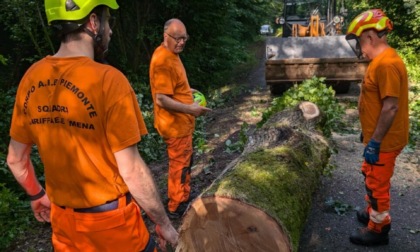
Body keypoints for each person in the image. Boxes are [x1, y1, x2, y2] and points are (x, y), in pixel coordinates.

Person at [6, 0, 178, 251]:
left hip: (64, 227)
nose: (109, 31)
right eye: (108, 21)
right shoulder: (109, 81)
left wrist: (36, 195)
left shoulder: (30, 78)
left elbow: (15, 159)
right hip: (112, 227)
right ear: (93, 22)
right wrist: (163, 223)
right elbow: (131, 170)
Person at [345, 9, 409, 246]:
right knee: (369, 172)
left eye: (360, 40)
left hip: (384, 141)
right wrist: (369, 132)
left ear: (370, 36)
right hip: (378, 137)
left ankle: (379, 228)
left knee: (377, 184)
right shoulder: (380, 61)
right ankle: (373, 210)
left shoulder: (387, 64)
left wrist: (375, 141)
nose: (360, 46)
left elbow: (391, 107)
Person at [149, 18, 211, 219]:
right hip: (175, 126)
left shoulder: (172, 54)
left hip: (182, 125)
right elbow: (161, 99)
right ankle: (176, 205)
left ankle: (183, 194)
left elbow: (172, 88)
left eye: (185, 38)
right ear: (165, 36)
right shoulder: (163, 61)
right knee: (180, 165)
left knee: (185, 161)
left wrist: (186, 90)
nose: (182, 42)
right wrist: (190, 109)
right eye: (177, 38)